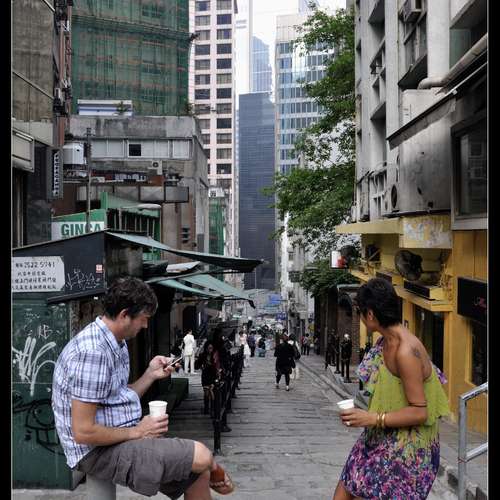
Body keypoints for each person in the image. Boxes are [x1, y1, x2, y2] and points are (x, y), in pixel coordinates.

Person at [52, 276, 234, 499]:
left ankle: (208, 472)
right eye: (143, 319)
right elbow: (83, 431)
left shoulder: (115, 342)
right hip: (95, 451)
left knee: (197, 474)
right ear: (124, 315)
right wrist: (139, 431)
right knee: (202, 456)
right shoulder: (93, 352)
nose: (146, 325)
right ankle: (218, 473)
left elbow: (115, 397)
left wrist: (150, 374)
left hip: (117, 436)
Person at [333, 278, 449, 500]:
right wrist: (359, 414)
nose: (360, 318)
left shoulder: (406, 351)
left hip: (410, 449)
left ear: (370, 315)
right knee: (343, 492)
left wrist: (372, 418)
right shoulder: (384, 342)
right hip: (380, 436)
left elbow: (420, 412)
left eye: (360, 312)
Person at [197, 341, 220, 415]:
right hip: (205, 375)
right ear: (206, 348)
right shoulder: (202, 355)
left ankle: (212, 409)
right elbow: (197, 365)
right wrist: (201, 365)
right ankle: (206, 408)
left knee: (211, 391)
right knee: (206, 392)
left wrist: (217, 371)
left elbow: (217, 366)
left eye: (211, 348)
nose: (210, 350)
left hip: (213, 375)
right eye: (209, 348)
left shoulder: (214, 355)